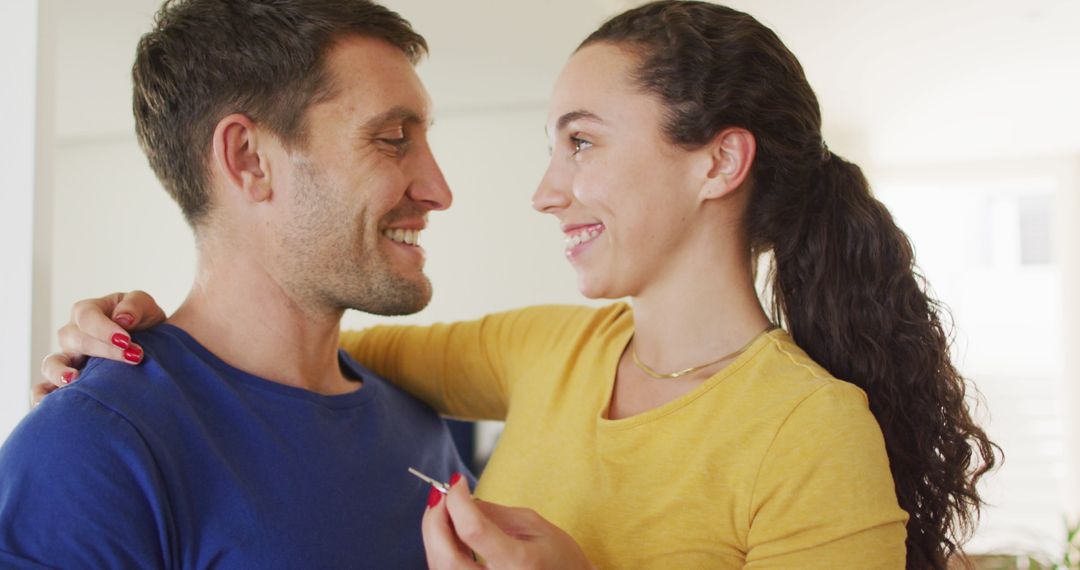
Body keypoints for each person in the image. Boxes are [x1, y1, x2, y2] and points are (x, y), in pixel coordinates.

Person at [39, 1, 1000, 569]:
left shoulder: (810, 431)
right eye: (391, 136)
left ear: (717, 164)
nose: (540, 191)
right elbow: (291, 349)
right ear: (246, 159)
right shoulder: (545, 354)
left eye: (581, 142)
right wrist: (142, 332)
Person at [0, 1, 477, 568]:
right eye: (393, 137)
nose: (438, 189)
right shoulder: (92, 446)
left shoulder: (419, 424)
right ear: (248, 159)